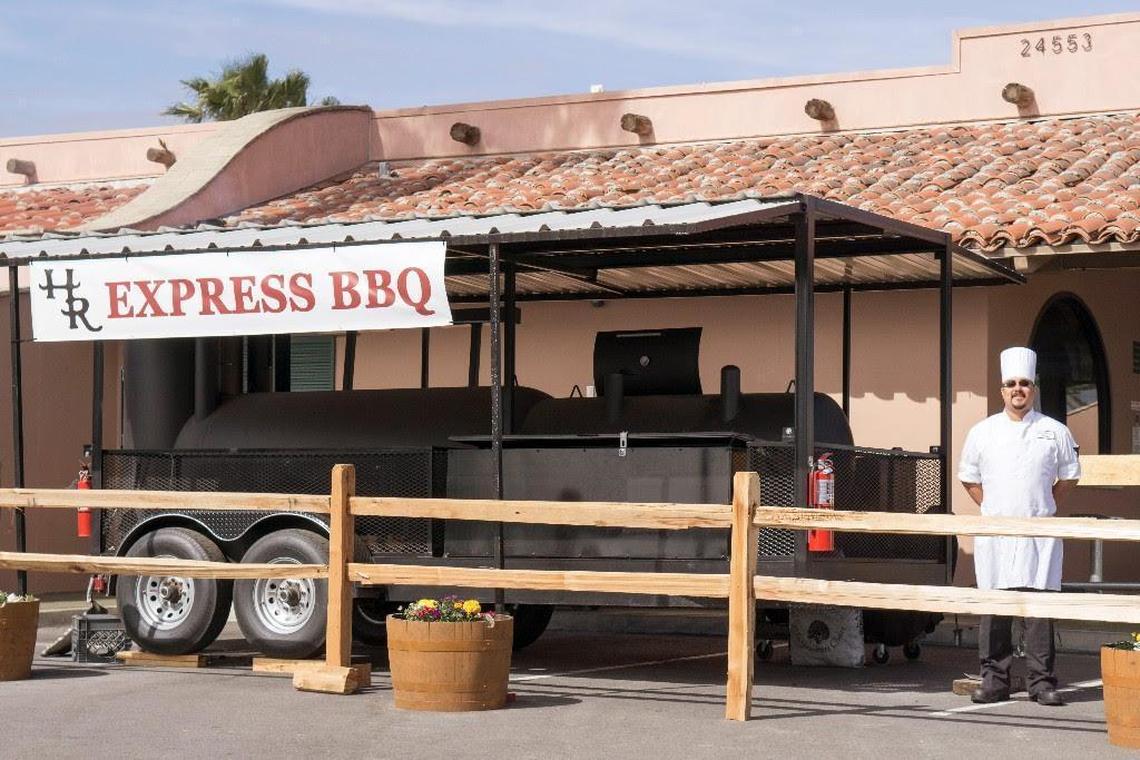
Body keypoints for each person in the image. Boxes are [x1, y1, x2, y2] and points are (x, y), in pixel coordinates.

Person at [958, 346, 1080, 707]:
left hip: (1039, 533)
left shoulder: (1054, 431)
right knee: (996, 608)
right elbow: (968, 478)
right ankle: (994, 680)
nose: (1018, 389)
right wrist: (993, 508)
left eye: (1024, 383)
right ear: (1002, 390)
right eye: (1011, 383)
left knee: (1038, 610)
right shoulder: (982, 432)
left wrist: (1046, 505)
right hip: (996, 533)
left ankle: (1041, 682)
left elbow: (1069, 476)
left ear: (1033, 389)